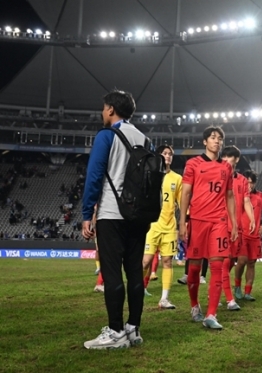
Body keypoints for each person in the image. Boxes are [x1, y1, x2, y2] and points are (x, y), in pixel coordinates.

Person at [82, 89, 151, 349]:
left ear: (111, 109)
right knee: (134, 271)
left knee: (111, 275)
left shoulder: (106, 135)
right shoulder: (145, 139)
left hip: (111, 213)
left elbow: (95, 175)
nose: (102, 112)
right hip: (137, 215)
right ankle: (133, 329)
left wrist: (87, 213)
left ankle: (115, 332)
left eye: (104, 108)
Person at [179, 126, 237, 330]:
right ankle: (195, 305)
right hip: (197, 220)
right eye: (213, 138)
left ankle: (211, 313)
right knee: (194, 269)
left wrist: (234, 222)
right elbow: (185, 193)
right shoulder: (193, 164)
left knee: (217, 266)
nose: (217, 141)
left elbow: (230, 195)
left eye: (220, 138)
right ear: (205, 141)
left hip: (219, 221)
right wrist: (182, 222)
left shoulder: (227, 167)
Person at [141, 145, 182, 309]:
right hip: (151, 226)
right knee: (145, 262)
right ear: (158, 156)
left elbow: (181, 202)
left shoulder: (177, 178)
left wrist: (184, 221)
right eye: (164, 153)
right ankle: (139, 289)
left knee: (167, 261)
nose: (168, 156)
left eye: (170, 154)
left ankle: (164, 298)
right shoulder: (149, 175)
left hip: (169, 226)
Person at [221, 146, 255, 309]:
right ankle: (230, 299)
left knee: (231, 262)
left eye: (231, 157)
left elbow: (246, 201)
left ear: (237, 159)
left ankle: (216, 289)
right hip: (221, 225)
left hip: (237, 227)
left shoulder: (241, 180)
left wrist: (252, 218)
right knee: (225, 261)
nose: (228, 159)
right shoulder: (218, 176)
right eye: (225, 156)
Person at [234, 170, 262, 301]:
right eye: (247, 183)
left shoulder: (261, 196)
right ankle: (237, 286)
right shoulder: (239, 196)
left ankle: (247, 292)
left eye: (251, 183)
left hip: (255, 236)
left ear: (255, 183)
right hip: (242, 233)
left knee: (251, 263)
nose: (249, 185)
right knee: (242, 261)